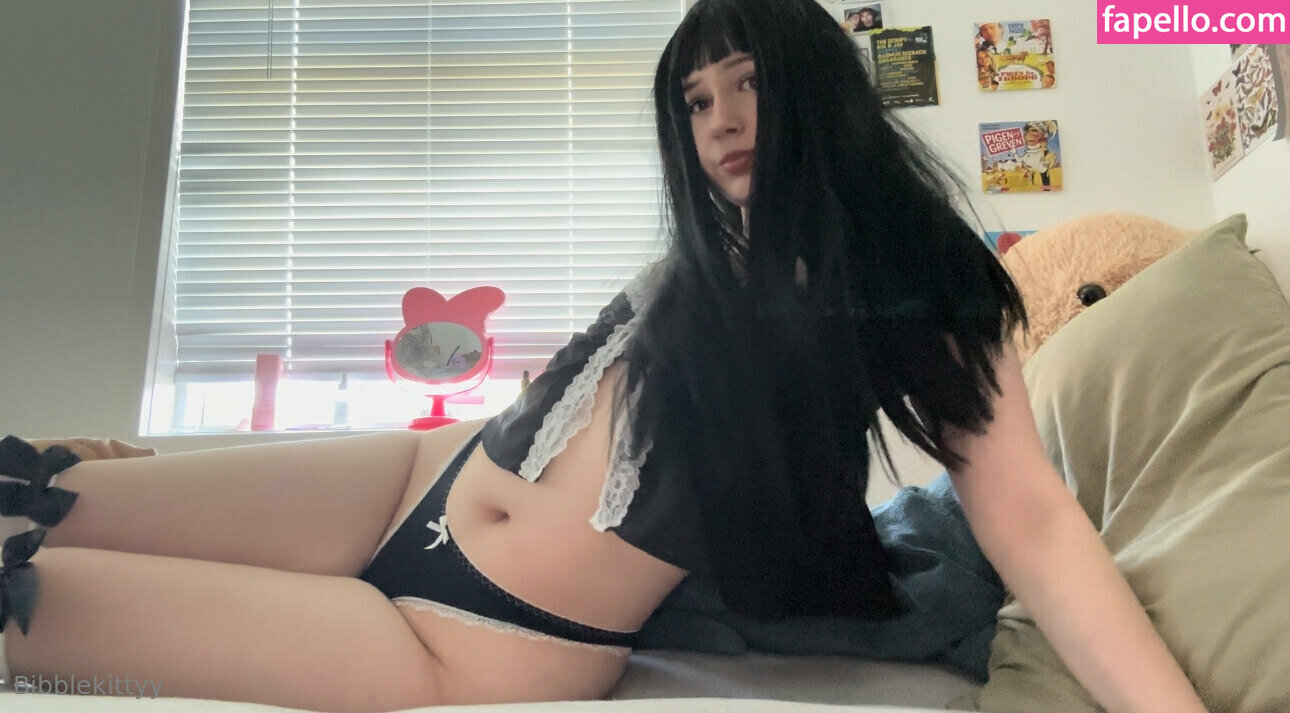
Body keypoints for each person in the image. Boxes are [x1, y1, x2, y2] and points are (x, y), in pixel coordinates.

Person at [0, 1, 1210, 712]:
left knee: (29, 596)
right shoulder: (712, 247)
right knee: (50, 490)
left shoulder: (909, 274)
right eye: (696, 100)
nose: (722, 120)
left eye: (749, 86)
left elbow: (1033, 519)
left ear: (819, 95)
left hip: (475, 636)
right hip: (415, 477)